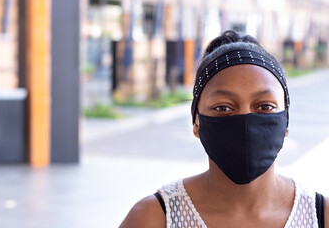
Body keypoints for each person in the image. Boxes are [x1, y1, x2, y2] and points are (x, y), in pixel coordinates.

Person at [119, 30, 328, 228]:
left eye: (265, 107)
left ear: (285, 122)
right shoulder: (154, 218)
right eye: (223, 107)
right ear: (197, 122)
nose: (245, 121)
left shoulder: (321, 216)